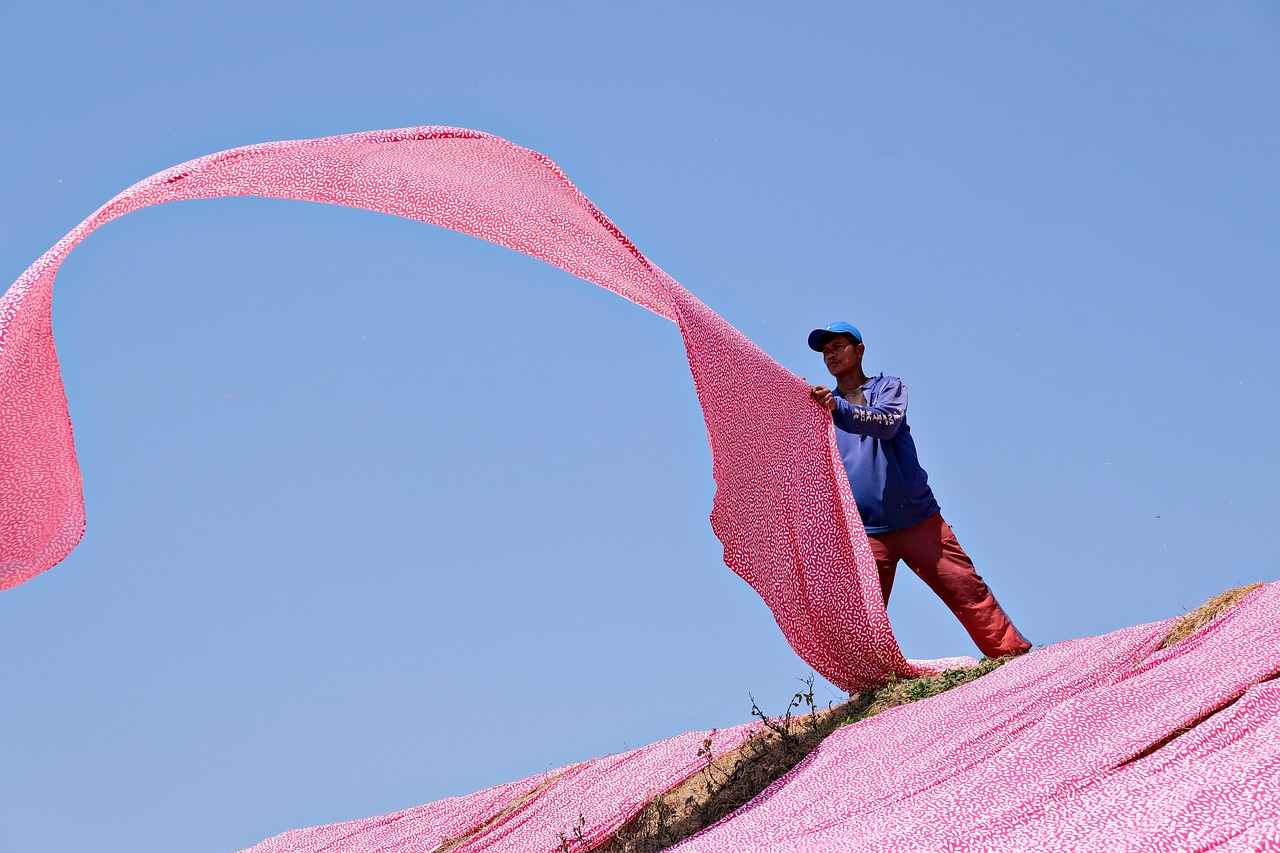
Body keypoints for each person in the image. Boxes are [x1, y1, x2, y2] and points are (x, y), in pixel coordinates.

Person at [807, 321, 1031, 658]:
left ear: (860, 350)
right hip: (866, 530)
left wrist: (840, 409)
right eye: (826, 352)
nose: (831, 355)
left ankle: (1011, 656)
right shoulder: (823, 410)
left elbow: (886, 422)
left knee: (966, 588)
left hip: (917, 519)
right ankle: (870, 686)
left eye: (838, 346)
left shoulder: (887, 388)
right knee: (862, 615)